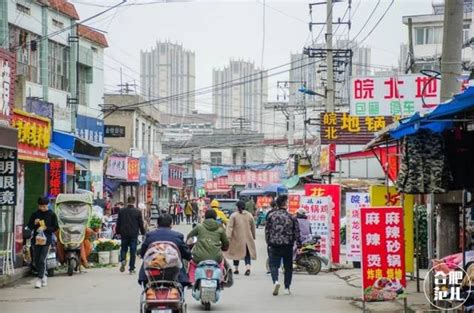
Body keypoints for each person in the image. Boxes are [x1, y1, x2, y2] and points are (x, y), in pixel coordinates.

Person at [138, 214, 192, 287]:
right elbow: (186, 253)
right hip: (173, 273)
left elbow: (143, 253)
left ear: (157, 224)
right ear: (171, 224)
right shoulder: (178, 236)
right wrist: (189, 256)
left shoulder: (150, 235)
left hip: (152, 272)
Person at [265, 194, 301, 296]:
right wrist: (299, 245)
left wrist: (268, 242)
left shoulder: (271, 216)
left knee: (273, 265)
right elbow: (297, 232)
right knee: (288, 267)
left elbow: (267, 231)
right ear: (285, 204)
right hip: (288, 245)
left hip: (274, 244)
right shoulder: (291, 217)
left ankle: (276, 281)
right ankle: (286, 288)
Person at [186, 209, 229, 283]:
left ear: (205, 217)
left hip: (199, 258)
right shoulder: (220, 229)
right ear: (215, 217)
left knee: (191, 264)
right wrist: (223, 248)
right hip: (216, 258)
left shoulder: (199, 227)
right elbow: (226, 244)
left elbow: (189, 238)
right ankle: (222, 279)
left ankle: (191, 280)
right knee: (223, 263)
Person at [27, 197, 59, 289]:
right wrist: (34, 222)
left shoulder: (52, 214)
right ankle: (44, 275)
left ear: (47, 205)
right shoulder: (35, 214)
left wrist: (46, 228)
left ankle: (39, 279)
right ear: (38, 205)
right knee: (36, 260)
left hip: (47, 240)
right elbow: (29, 226)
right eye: (41, 206)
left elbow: (56, 227)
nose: (43, 208)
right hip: (36, 240)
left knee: (42, 259)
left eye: (44, 206)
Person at [226, 200, 256, 276]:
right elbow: (253, 227)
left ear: (237, 207)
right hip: (247, 238)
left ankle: (236, 269)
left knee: (236, 254)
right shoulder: (249, 215)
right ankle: (248, 268)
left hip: (237, 238)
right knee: (247, 254)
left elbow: (230, 227)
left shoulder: (233, 215)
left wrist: (228, 237)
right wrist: (253, 236)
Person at [116, 196, 146, 274]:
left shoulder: (122, 211)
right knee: (133, 251)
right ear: (134, 202)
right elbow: (140, 224)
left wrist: (117, 232)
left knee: (124, 248)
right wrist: (143, 233)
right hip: (133, 234)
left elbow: (118, 222)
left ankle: (123, 260)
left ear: (127, 201)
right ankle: (131, 269)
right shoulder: (137, 211)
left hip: (124, 233)